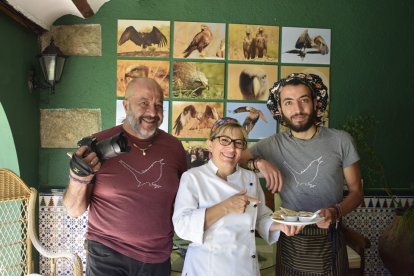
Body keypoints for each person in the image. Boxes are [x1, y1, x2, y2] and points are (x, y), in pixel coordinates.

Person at [240, 73, 364, 275]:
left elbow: (357, 192)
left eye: (303, 100)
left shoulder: (342, 140)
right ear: (279, 109)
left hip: (331, 236)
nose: (297, 109)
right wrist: (259, 162)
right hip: (291, 237)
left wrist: (336, 212)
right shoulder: (272, 144)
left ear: (315, 103)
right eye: (288, 102)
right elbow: (236, 158)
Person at [63, 78, 187, 276]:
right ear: (126, 105)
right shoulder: (99, 144)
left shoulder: (175, 148)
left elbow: (186, 200)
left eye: (158, 105)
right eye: (144, 103)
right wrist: (78, 177)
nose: (153, 112)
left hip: (157, 257)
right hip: (108, 254)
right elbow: (74, 210)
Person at [172, 117, 303, 276]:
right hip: (206, 269)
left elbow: (261, 217)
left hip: (244, 267)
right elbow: (182, 225)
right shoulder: (193, 177)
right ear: (210, 144)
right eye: (224, 140)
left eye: (238, 143)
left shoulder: (250, 178)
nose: (231, 148)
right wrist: (225, 207)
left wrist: (281, 225)